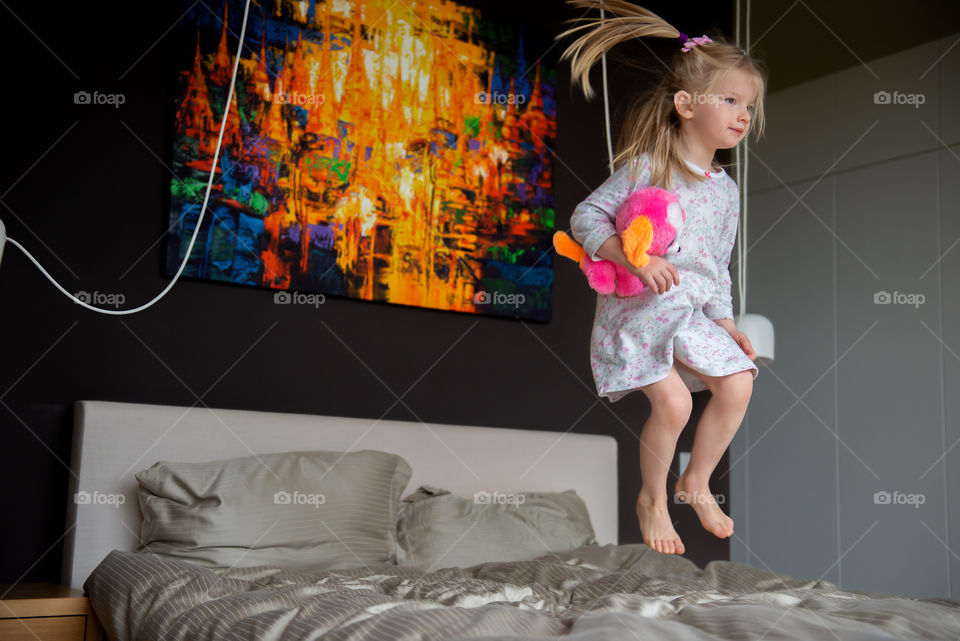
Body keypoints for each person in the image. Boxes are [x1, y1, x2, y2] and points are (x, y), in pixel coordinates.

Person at [558, 0, 769, 555]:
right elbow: (586, 217)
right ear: (685, 104)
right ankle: (653, 498)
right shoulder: (651, 165)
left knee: (740, 379)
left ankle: (694, 481)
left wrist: (725, 321)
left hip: (692, 312)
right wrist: (634, 260)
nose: (743, 114)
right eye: (730, 100)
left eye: (749, 105)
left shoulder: (727, 189)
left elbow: (718, 266)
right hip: (640, 311)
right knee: (673, 404)